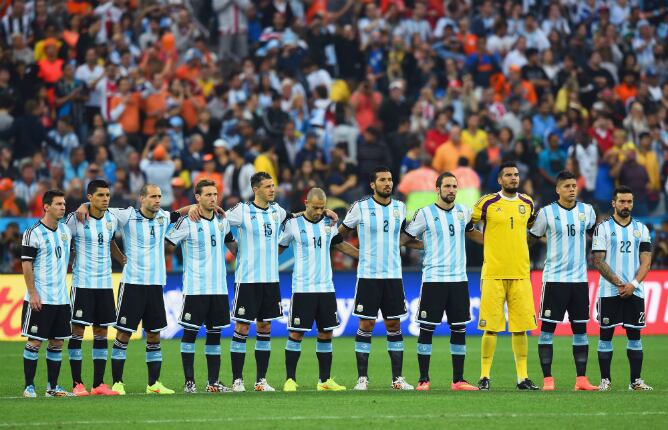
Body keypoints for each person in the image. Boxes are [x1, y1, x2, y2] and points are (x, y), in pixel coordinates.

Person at [75, 184, 194, 395]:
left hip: (156, 284)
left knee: (154, 335)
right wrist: (84, 205)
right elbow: (99, 207)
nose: (158, 200)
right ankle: (118, 382)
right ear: (142, 198)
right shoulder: (127, 216)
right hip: (132, 284)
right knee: (123, 334)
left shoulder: (163, 217)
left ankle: (154, 384)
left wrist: (195, 205)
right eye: (153, 197)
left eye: (159, 196)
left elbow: (178, 213)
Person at [224, 172, 336, 392]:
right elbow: (219, 222)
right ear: (256, 189)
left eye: (273, 185)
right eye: (267, 186)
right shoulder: (242, 211)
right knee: (243, 327)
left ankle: (260, 381)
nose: (272, 189)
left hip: (271, 280)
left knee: (265, 327)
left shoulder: (278, 211)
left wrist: (324, 213)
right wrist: (233, 246)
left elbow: (299, 217)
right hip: (247, 279)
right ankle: (237, 380)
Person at [401, 172, 482, 391]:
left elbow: (472, 233)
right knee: (427, 330)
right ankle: (423, 380)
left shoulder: (464, 212)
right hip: (433, 279)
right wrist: (425, 245)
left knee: (459, 329)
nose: (451, 190)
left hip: (458, 280)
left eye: (454, 186)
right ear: (437, 189)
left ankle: (458, 380)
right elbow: (405, 239)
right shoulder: (424, 214)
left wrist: (495, 243)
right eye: (447, 186)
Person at [339, 166, 413, 390]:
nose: (387, 183)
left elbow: (404, 237)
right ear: (373, 185)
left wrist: (427, 245)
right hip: (369, 276)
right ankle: (362, 379)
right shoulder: (360, 207)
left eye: (390, 180)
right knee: (367, 323)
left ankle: (397, 379)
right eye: (382, 180)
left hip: (393, 275)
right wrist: (359, 255)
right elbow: (338, 237)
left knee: (393, 323)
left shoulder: (400, 207)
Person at [279, 188, 358, 392]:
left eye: (322, 208)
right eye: (315, 207)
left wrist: (365, 257)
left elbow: (341, 245)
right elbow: (279, 248)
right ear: (306, 203)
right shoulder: (293, 224)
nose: (318, 211)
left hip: (326, 288)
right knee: (296, 334)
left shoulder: (328, 224)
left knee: (326, 334)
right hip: (303, 288)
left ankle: (324, 380)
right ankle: (290, 380)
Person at [528, 171, 599, 391]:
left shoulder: (587, 211)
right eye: (567, 186)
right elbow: (530, 239)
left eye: (574, 185)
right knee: (547, 330)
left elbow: (593, 234)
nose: (571, 189)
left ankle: (581, 380)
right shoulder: (547, 213)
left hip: (579, 280)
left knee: (580, 330)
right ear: (557, 189)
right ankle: (548, 380)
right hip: (554, 280)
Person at [471, 161, 539, 390]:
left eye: (516, 175)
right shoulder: (487, 202)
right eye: (508, 175)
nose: (513, 178)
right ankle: (484, 376)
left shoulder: (527, 203)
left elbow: (531, 228)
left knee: (521, 327)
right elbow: (467, 227)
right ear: (500, 180)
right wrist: (486, 241)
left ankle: (522, 377)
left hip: (520, 273)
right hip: (493, 273)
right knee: (490, 327)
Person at [166, 179, 238, 394]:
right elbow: (167, 245)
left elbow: (232, 244)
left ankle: (213, 383)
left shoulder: (222, 221)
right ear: (197, 198)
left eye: (215, 194)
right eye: (207, 195)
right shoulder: (188, 221)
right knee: (190, 333)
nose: (213, 198)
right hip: (195, 288)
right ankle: (189, 383)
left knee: (215, 335)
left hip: (218, 288)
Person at [64, 180, 126, 396]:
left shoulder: (111, 218)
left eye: (107, 195)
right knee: (78, 331)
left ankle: (98, 384)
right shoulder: (76, 218)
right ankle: (77, 383)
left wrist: (123, 260)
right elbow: (63, 240)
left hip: (104, 284)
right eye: (100, 195)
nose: (106, 199)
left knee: (101, 331)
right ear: (89, 197)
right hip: (83, 284)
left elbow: (109, 242)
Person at [592, 186, 653, 391]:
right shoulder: (603, 228)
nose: (626, 205)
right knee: (606, 335)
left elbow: (646, 262)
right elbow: (598, 261)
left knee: (635, 336)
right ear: (614, 203)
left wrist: (633, 285)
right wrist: (620, 284)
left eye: (629, 202)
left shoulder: (642, 229)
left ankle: (635, 381)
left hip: (634, 291)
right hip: (610, 291)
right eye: (622, 201)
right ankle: (605, 381)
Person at [21, 189, 73, 397]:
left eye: (64, 204)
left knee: (57, 342)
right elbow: (26, 265)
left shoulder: (65, 232)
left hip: (61, 299)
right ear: (46, 207)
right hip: (40, 298)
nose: (63, 207)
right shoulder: (33, 233)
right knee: (34, 342)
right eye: (59, 204)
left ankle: (52, 386)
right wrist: (32, 293)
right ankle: (29, 386)